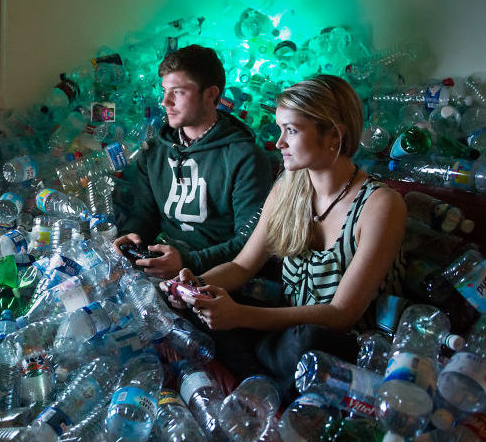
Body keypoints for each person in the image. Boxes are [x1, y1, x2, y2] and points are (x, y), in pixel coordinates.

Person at [163, 74, 407, 401]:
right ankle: (269, 386)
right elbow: (242, 266)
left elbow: (341, 315)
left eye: (291, 130)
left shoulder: (380, 204)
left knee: (306, 341)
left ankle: (268, 386)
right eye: (280, 130)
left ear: (333, 135)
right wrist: (195, 287)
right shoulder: (287, 189)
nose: (279, 143)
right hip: (285, 330)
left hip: (343, 345)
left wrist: (239, 315)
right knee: (197, 314)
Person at [112, 44, 274, 280]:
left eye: (178, 92)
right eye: (165, 91)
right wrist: (131, 235)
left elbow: (250, 243)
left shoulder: (245, 157)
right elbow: (143, 214)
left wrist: (189, 263)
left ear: (210, 94)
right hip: (162, 266)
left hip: (217, 278)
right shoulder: (155, 151)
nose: (165, 101)